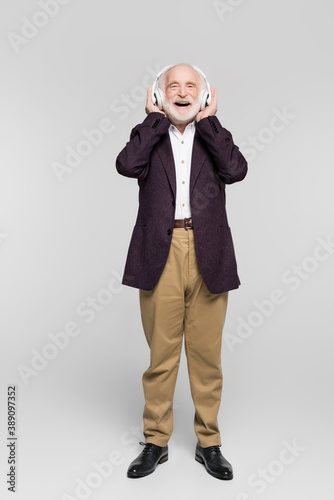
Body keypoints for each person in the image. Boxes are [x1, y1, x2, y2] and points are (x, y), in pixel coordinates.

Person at [115, 63, 248, 480]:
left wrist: (211, 123)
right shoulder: (150, 136)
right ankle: (155, 441)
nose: (183, 91)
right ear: (159, 95)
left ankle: (209, 443)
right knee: (162, 356)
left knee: (206, 357)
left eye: (192, 86)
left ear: (205, 96)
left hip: (208, 250)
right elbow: (126, 165)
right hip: (161, 250)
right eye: (173, 85)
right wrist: (153, 119)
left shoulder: (213, 135)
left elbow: (236, 170)